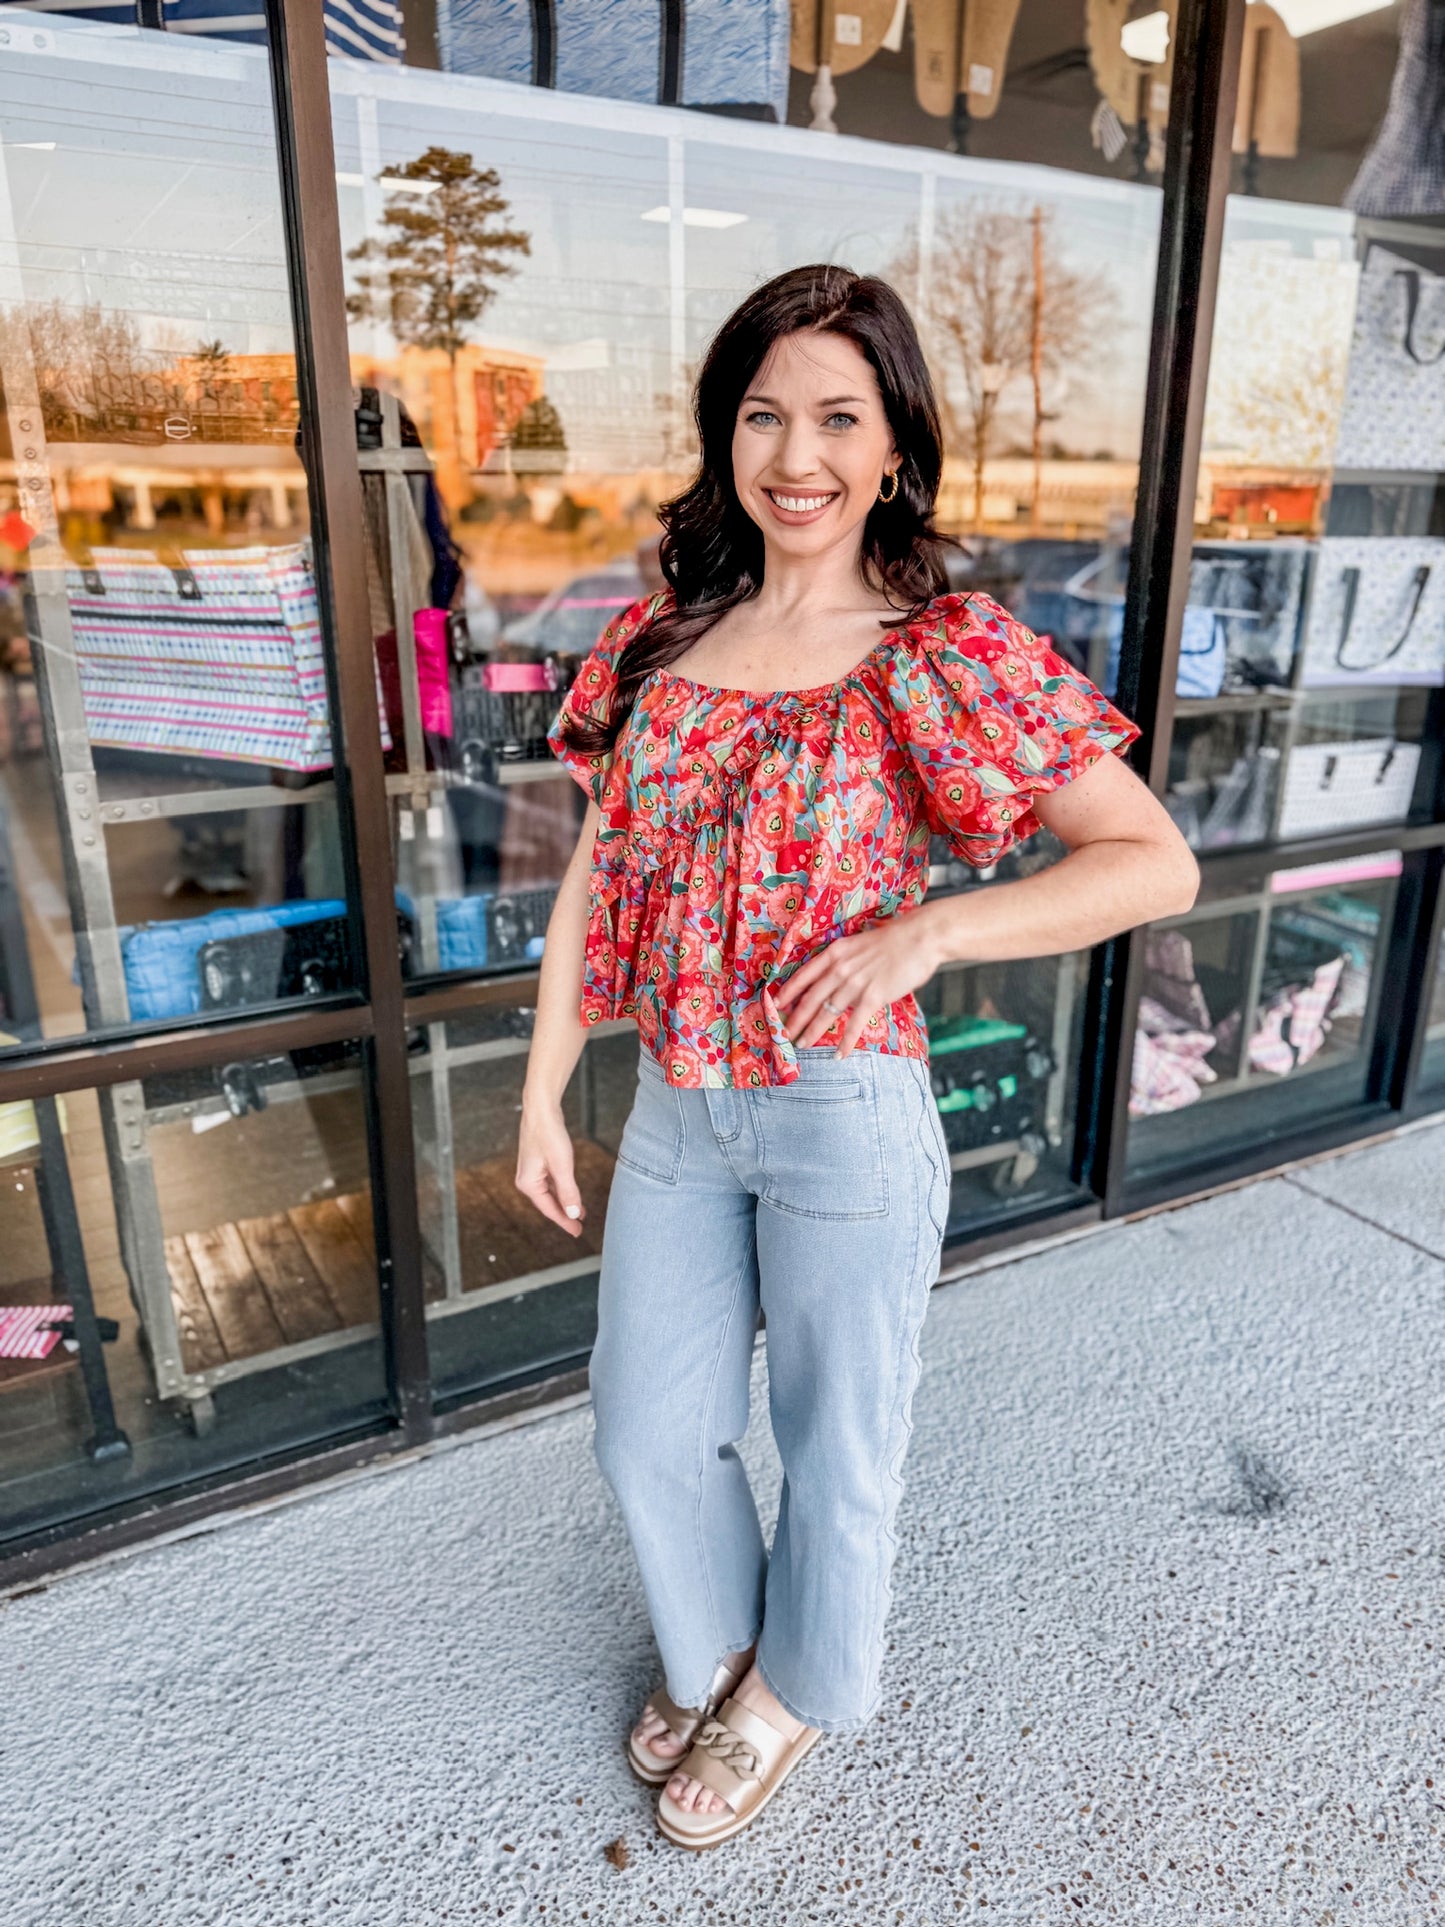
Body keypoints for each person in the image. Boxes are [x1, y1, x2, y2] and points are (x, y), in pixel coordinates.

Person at [518, 264, 1198, 1850]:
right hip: (680, 1103)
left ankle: (795, 1691)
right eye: (763, 414)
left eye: (838, 415)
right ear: (724, 435)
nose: (796, 453)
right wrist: (547, 1081)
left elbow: (1149, 861)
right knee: (642, 1420)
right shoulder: (662, 635)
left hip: (842, 1112)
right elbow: (590, 872)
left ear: (893, 447)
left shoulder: (936, 649)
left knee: (838, 1441)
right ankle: (714, 1652)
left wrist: (931, 935)